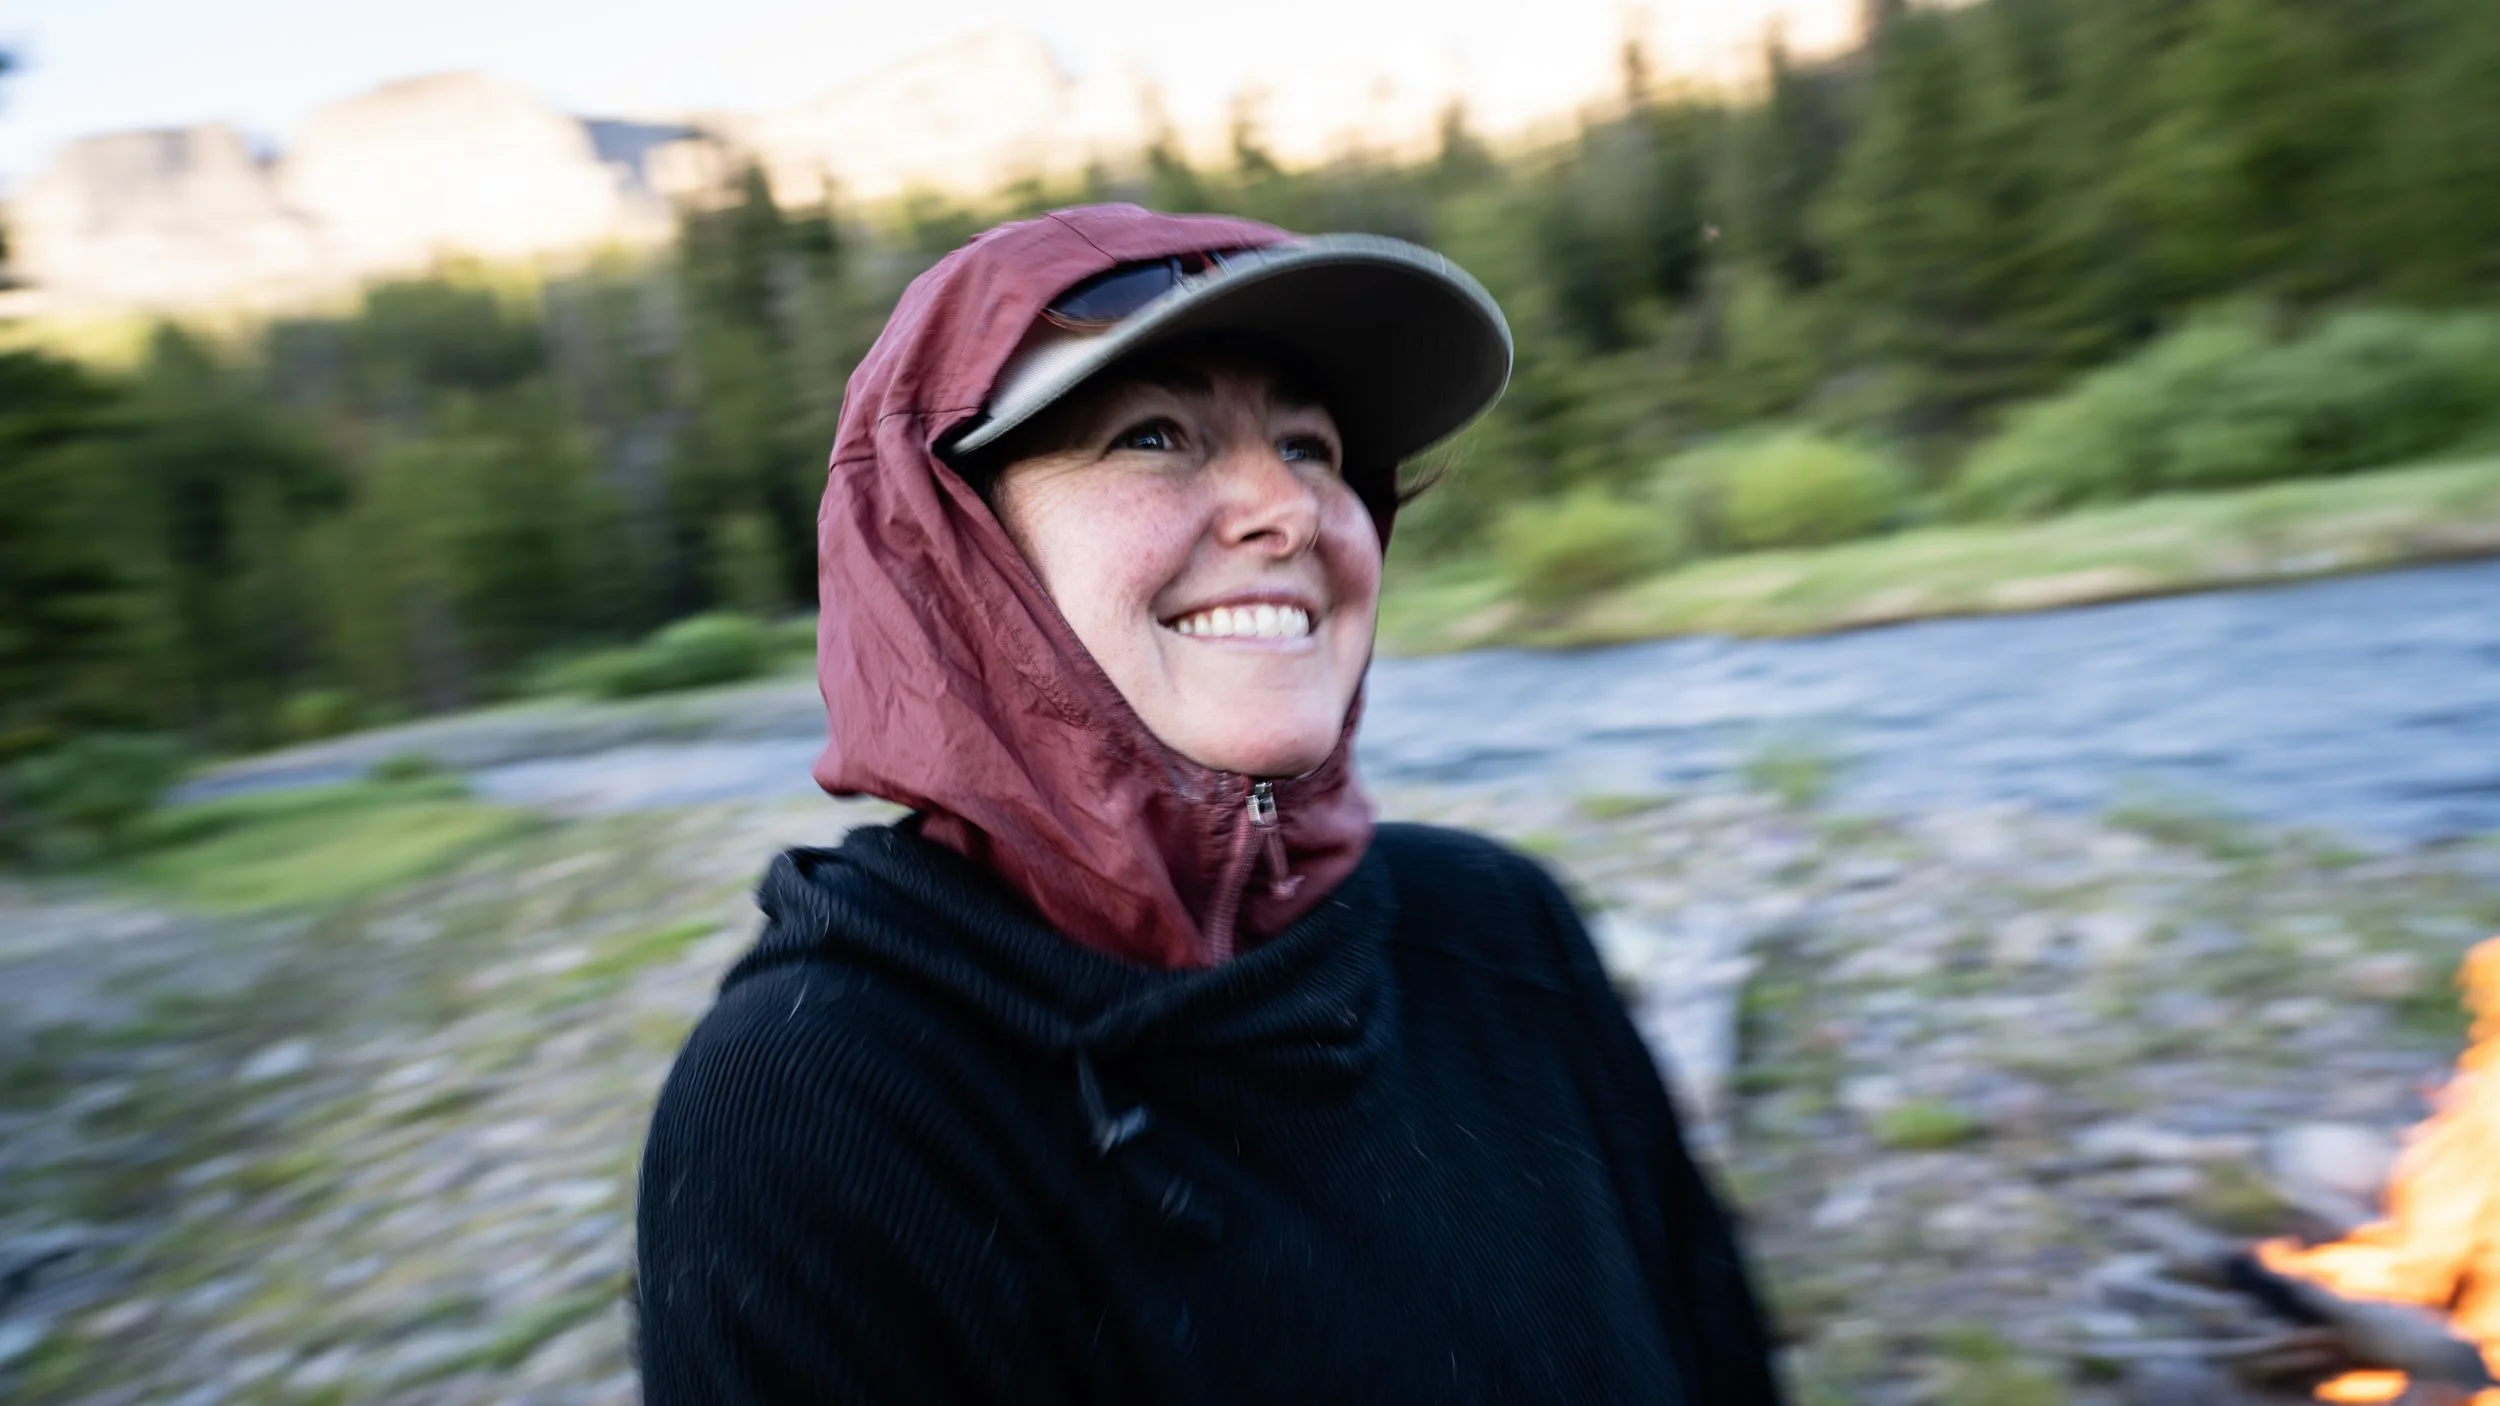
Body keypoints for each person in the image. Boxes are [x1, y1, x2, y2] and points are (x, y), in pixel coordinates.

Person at [635, 203, 1784, 1404]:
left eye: (1310, 446)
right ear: (950, 554)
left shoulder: (1498, 931)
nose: (1286, 507)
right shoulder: (816, 1109)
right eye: (1152, 435)